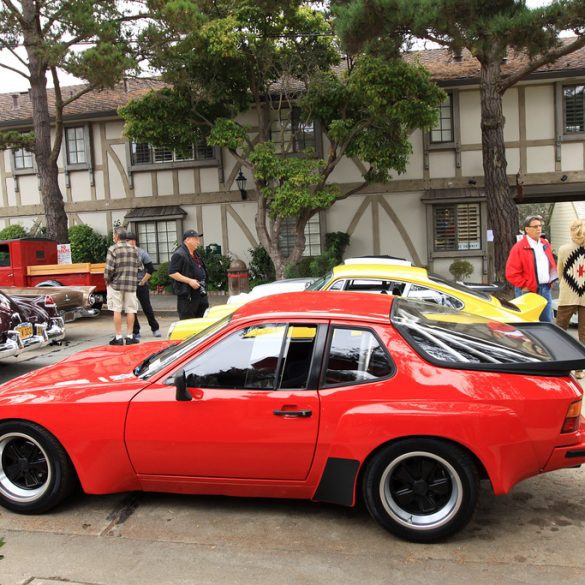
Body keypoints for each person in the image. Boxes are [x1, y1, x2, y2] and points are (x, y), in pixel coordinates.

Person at [505, 214, 558, 322]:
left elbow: (551, 263)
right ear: (527, 229)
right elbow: (511, 272)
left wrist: (552, 279)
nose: (539, 228)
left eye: (540, 226)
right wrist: (524, 286)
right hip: (528, 290)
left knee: (546, 322)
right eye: (535, 226)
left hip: (545, 289)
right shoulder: (519, 247)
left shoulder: (545, 244)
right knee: (529, 323)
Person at [104, 226, 142, 345]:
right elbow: (140, 267)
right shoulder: (134, 249)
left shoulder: (113, 249)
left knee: (117, 309)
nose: (113, 237)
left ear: (117, 237)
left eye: (113, 235)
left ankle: (119, 337)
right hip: (131, 285)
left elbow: (108, 270)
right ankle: (130, 336)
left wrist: (107, 280)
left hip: (116, 284)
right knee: (131, 310)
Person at [126, 232, 161, 339]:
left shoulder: (142, 253)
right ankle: (135, 331)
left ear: (134, 241)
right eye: (127, 241)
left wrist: (143, 281)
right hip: (129, 285)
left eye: (131, 240)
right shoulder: (124, 253)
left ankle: (155, 328)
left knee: (147, 307)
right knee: (132, 309)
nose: (129, 242)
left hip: (141, 284)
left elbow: (150, 269)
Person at [168, 229, 209, 320]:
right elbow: (172, 273)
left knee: (202, 320)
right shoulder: (179, 254)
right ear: (187, 240)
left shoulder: (195, 254)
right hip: (188, 295)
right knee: (188, 320)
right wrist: (190, 281)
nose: (198, 241)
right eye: (196, 239)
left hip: (200, 293)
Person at [556, 218, 585, 345]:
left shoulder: (563, 249)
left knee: (560, 330)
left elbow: (560, 272)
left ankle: (559, 357)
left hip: (568, 293)